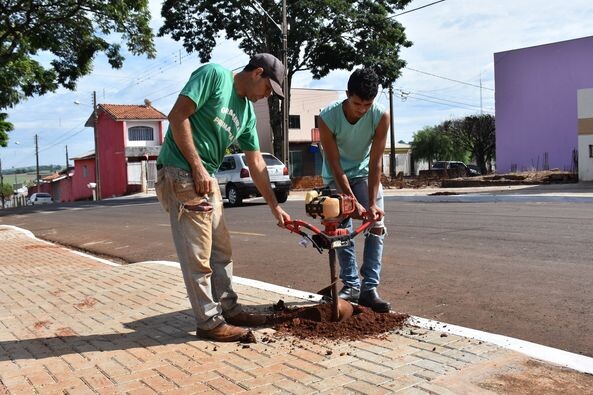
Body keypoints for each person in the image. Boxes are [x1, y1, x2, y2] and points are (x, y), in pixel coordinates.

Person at [155, 53, 291, 342]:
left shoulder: (247, 114)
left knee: (221, 250)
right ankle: (208, 322)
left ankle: (229, 309)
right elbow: (177, 116)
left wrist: (274, 206)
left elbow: (256, 164)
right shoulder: (214, 75)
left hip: (207, 176)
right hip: (181, 170)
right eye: (268, 89)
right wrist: (196, 166)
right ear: (257, 73)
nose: (266, 96)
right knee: (198, 255)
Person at [318, 67, 391, 313]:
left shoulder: (381, 116)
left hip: (364, 174)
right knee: (342, 230)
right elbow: (335, 164)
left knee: (376, 225)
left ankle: (369, 288)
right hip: (336, 177)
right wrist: (350, 200)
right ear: (347, 94)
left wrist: (370, 204)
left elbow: (376, 163)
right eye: (357, 103)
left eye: (367, 104)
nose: (361, 110)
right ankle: (350, 285)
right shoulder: (327, 118)